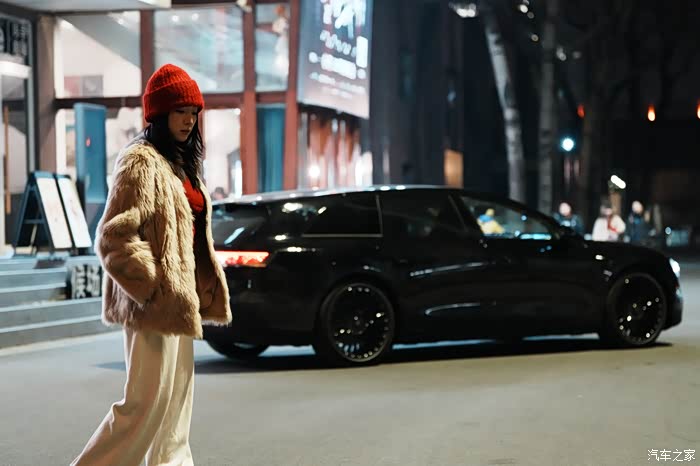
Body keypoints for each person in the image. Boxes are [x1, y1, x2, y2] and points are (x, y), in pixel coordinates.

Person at [71, 64, 232, 466]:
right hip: (153, 304)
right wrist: (153, 287)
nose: (189, 120)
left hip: (180, 301)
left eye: (193, 112)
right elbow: (114, 237)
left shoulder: (181, 162)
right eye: (180, 111)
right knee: (144, 405)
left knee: (176, 406)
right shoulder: (140, 162)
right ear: (159, 114)